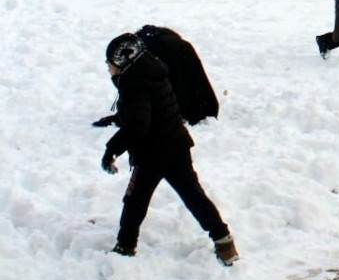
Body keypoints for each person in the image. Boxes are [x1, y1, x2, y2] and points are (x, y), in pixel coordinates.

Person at [100, 33, 238, 265]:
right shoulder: (151, 70)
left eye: (110, 62)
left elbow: (137, 125)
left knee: (135, 200)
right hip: (176, 144)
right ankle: (224, 241)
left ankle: (125, 247)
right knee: (193, 195)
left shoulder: (135, 84)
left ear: (125, 60)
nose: (107, 66)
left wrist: (111, 149)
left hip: (153, 152)